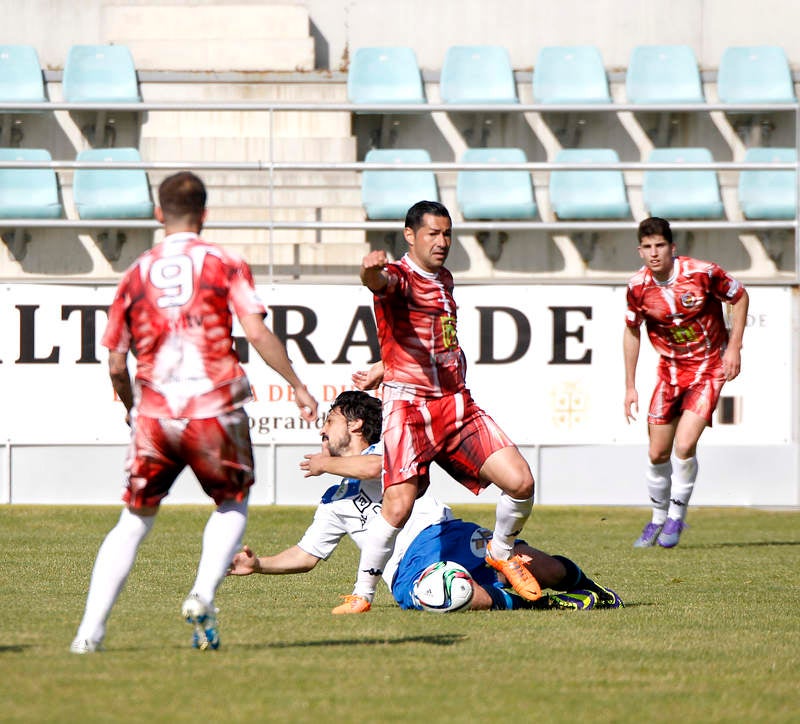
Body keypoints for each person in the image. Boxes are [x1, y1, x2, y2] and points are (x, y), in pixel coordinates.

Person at [69, 171, 318, 654]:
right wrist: (297, 386)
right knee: (231, 504)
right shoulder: (224, 262)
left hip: (156, 413)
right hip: (214, 408)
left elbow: (117, 362)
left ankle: (88, 635)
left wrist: (129, 406)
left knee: (134, 520)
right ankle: (203, 593)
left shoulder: (136, 271)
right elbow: (258, 333)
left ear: (159, 214)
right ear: (204, 214)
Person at [229, 390, 622, 612]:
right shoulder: (334, 500)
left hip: (444, 533)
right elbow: (306, 554)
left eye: (328, 421)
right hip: (405, 568)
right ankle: (537, 606)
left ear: (354, 424)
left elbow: (379, 468)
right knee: (443, 595)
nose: (322, 429)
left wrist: (329, 463)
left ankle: (591, 589)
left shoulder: (391, 446)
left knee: (535, 564)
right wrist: (259, 564)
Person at [332, 200, 539, 615]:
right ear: (410, 236)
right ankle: (362, 594)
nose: (442, 242)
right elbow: (377, 281)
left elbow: (427, 340)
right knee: (398, 506)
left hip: (456, 405)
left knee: (520, 482)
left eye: (447, 234)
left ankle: (500, 552)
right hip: (410, 411)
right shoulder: (399, 279)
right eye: (433, 234)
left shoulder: (443, 277)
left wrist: (382, 364)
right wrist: (370, 269)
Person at [624, 216, 748, 549]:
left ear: (672, 247)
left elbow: (738, 296)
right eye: (647, 247)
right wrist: (630, 385)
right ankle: (656, 519)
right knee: (657, 452)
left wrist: (734, 347)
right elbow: (632, 330)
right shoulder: (637, 287)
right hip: (670, 372)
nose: (654, 253)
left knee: (683, 445)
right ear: (640, 250)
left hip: (708, 369)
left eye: (660, 246)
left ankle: (677, 516)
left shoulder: (702, 273)